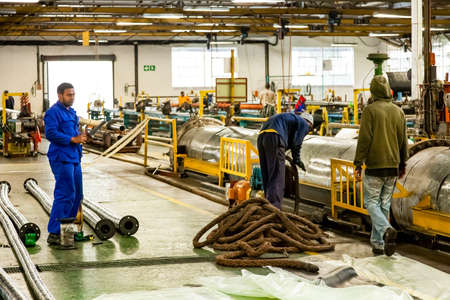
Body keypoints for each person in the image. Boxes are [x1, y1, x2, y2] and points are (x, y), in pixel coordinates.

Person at [353, 75, 408, 257]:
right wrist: (402, 163)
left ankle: (385, 229)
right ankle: (378, 244)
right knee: (384, 204)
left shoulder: (370, 110)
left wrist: (358, 162)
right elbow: (403, 141)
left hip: (375, 166)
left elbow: (365, 139)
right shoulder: (398, 111)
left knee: (371, 203)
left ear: (373, 90)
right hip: (392, 165)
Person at [44, 82, 86, 246]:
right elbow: (51, 133)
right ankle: (54, 233)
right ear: (60, 95)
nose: (72, 97)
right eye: (69, 95)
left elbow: (73, 132)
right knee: (65, 194)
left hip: (74, 157)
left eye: (73, 94)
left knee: (77, 195)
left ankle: (66, 232)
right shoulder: (53, 113)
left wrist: (80, 138)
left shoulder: (72, 112)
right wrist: (71, 139)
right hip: (61, 158)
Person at [257, 112, 313, 209]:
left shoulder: (290, 119)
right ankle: (274, 210)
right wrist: (297, 159)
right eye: (310, 128)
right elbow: (297, 143)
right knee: (277, 177)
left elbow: (290, 141)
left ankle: (267, 204)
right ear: (309, 123)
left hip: (261, 136)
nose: (308, 131)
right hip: (275, 136)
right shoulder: (303, 123)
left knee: (268, 175)